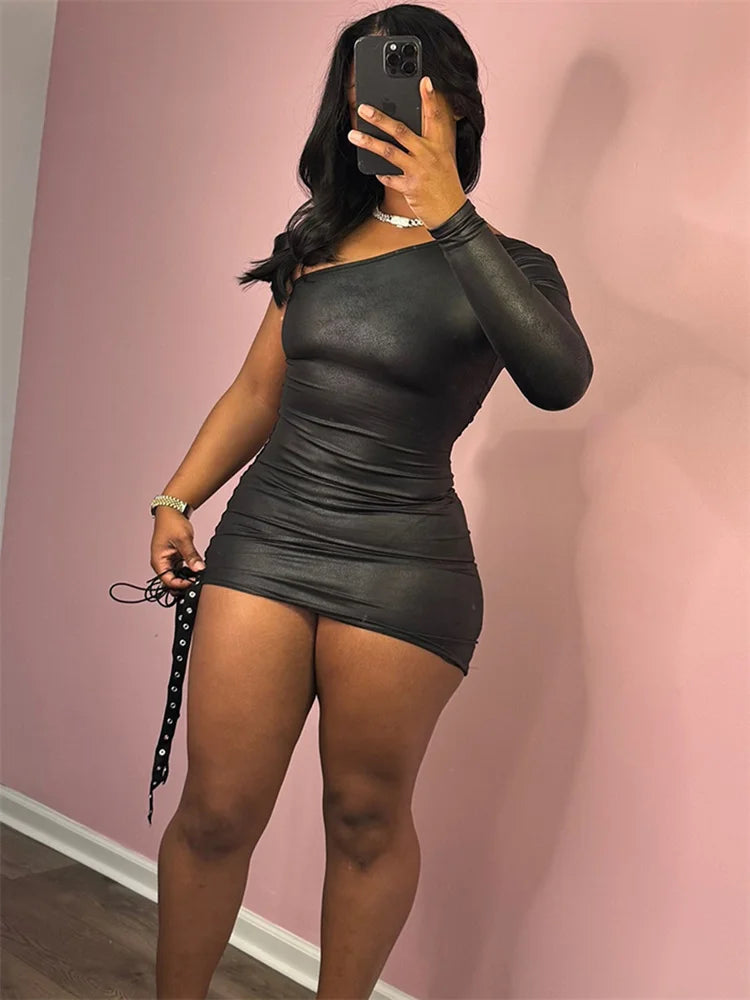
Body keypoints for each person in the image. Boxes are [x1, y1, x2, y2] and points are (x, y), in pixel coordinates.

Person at [110, 5, 593, 998]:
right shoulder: (316, 247)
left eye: (399, 83)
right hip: (267, 540)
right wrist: (174, 498)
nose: (371, 105)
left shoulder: (513, 266)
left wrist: (451, 215)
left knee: (366, 819)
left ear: (454, 104)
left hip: (404, 563)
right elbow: (257, 392)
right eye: (357, 87)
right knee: (216, 813)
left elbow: (559, 380)